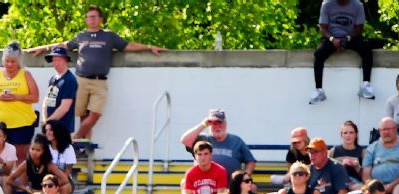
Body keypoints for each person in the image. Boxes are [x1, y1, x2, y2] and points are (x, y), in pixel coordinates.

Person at [27, 5, 164, 141]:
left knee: (95, 114)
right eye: (88, 17)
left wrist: (149, 47)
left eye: (94, 17)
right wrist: (44, 48)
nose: (91, 20)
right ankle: (84, 146)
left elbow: (128, 46)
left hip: (100, 81)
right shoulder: (81, 36)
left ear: (100, 19)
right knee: (82, 115)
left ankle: (75, 139)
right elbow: (65, 45)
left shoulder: (109, 36)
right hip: (81, 80)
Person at [310, 0, 373, 103]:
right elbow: (323, 27)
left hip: (350, 37)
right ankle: (318, 90)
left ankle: (366, 85)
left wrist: (347, 38)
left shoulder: (358, 5)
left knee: (366, 50)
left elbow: (359, 28)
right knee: (319, 54)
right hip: (331, 37)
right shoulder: (327, 4)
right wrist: (332, 39)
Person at [177, 109, 256, 179]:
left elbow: (250, 161)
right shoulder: (202, 139)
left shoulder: (236, 141)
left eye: (219, 122)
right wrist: (203, 124)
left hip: (230, 188)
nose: (217, 126)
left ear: (225, 124)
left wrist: (245, 177)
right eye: (213, 123)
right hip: (205, 186)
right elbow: (184, 140)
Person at [42, 46, 78, 134]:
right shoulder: (52, 78)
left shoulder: (69, 79)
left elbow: (64, 107)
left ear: (65, 60)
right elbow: (46, 101)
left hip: (63, 129)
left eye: (59, 60)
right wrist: (45, 121)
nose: (56, 63)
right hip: (50, 128)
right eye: (54, 60)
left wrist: (48, 122)